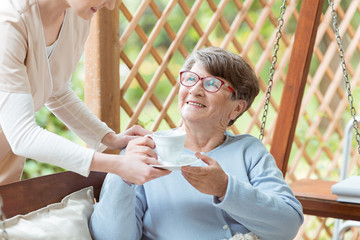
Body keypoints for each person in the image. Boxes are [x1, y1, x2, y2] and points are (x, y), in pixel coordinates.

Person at [89, 47, 304, 240]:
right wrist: (123, 174)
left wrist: (225, 188)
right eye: (190, 79)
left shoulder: (249, 151)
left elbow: (287, 226)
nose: (195, 89)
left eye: (212, 83)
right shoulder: (143, 152)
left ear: (237, 108)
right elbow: (110, 237)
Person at [0, 0, 169, 185]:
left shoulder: (77, 15)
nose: (111, 6)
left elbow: (58, 92)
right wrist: (118, 164)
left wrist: (110, 138)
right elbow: (22, 135)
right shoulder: (9, 22)